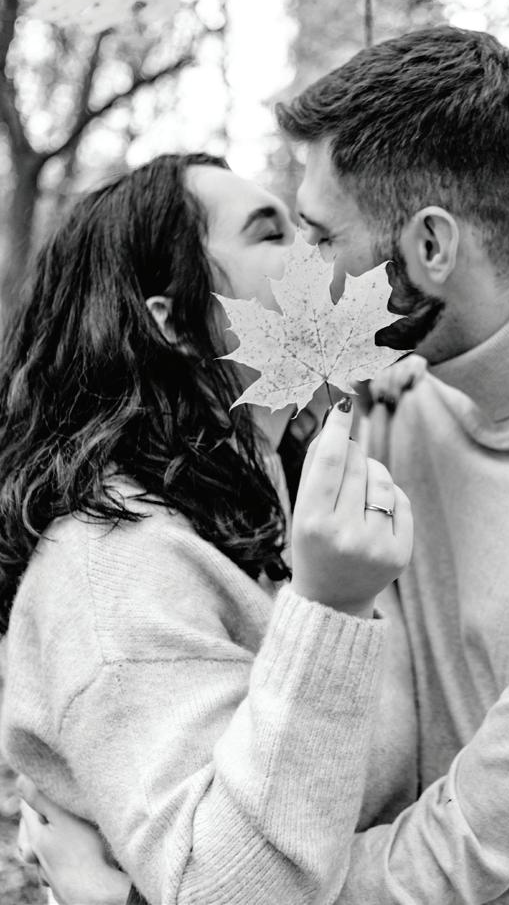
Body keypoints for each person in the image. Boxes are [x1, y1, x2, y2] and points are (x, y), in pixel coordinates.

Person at [15, 25, 509, 904]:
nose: (309, 269)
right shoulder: (382, 401)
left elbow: (469, 841)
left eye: (321, 236)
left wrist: (146, 897)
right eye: (285, 233)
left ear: (429, 249)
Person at [0, 152, 416, 905]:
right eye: (271, 234)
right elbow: (228, 889)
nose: (317, 251)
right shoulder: (116, 565)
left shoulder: (284, 493)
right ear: (174, 322)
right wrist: (332, 609)